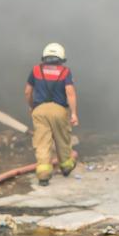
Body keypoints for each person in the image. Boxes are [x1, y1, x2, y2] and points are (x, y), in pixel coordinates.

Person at [25, 42, 78, 186]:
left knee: (42, 142)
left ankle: (43, 175)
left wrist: (31, 107)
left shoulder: (36, 70)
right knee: (62, 138)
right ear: (61, 58)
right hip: (59, 111)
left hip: (39, 110)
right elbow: (70, 93)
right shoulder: (65, 72)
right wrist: (73, 113)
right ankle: (66, 167)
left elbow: (28, 91)